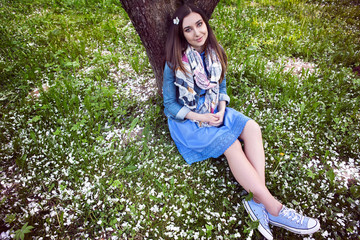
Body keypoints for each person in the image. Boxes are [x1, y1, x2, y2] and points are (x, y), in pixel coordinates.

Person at [162, 3, 320, 240]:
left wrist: (222, 109)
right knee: (232, 144)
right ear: (180, 34)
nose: (197, 33)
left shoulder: (215, 50)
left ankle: (257, 200)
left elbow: (221, 86)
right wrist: (202, 116)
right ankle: (275, 209)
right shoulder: (176, 61)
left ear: (206, 24)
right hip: (190, 120)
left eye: (199, 24)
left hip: (215, 107)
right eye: (188, 30)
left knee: (252, 128)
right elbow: (170, 106)